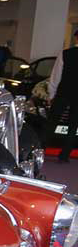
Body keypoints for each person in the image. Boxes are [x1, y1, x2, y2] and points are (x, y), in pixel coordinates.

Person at [46, 29, 78, 162]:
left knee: (52, 122)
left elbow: (56, 76)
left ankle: (41, 150)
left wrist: (51, 94)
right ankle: (64, 155)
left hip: (64, 92)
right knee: (73, 125)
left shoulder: (65, 53)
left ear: (76, 38)